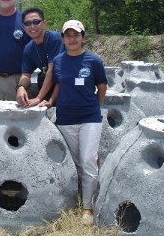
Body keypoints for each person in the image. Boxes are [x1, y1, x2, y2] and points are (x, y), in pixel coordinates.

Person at [40, 20, 107, 225]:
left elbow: (102, 86)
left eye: (76, 35)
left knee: (88, 159)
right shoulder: (59, 61)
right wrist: (50, 101)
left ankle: (88, 208)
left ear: (83, 37)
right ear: (63, 39)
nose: (72, 38)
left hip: (89, 118)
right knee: (74, 162)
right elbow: (58, 84)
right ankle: (75, 200)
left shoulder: (93, 61)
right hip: (66, 119)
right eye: (68, 35)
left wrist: (95, 106)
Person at [16, 7, 64, 108]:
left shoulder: (54, 39)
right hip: (49, 88)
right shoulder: (29, 48)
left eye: (36, 22)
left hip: (65, 87)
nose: (32, 26)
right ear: (24, 27)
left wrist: (38, 98)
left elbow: (51, 70)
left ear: (44, 23)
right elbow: (25, 75)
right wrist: (20, 87)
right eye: (27, 23)